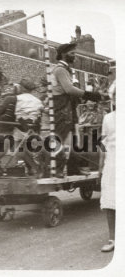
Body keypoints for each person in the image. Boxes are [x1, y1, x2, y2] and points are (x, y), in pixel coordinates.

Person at [50, 43, 101, 177]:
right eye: (72, 54)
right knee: (64, 138)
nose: (74, 56)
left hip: (67, 107)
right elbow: (69, 89)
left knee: (72, 139)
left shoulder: (65, 69)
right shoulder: (60, 69)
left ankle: (72, 168)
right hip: (61, 108)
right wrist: (89, 95)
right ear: (63, 54)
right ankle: (59, 169)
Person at [99, 80, 116, 252]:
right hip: (112, 164)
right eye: (116, 96)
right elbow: (102, 143)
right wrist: (100, 166)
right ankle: (112, 239)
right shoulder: (107, 118)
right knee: (111, 203)